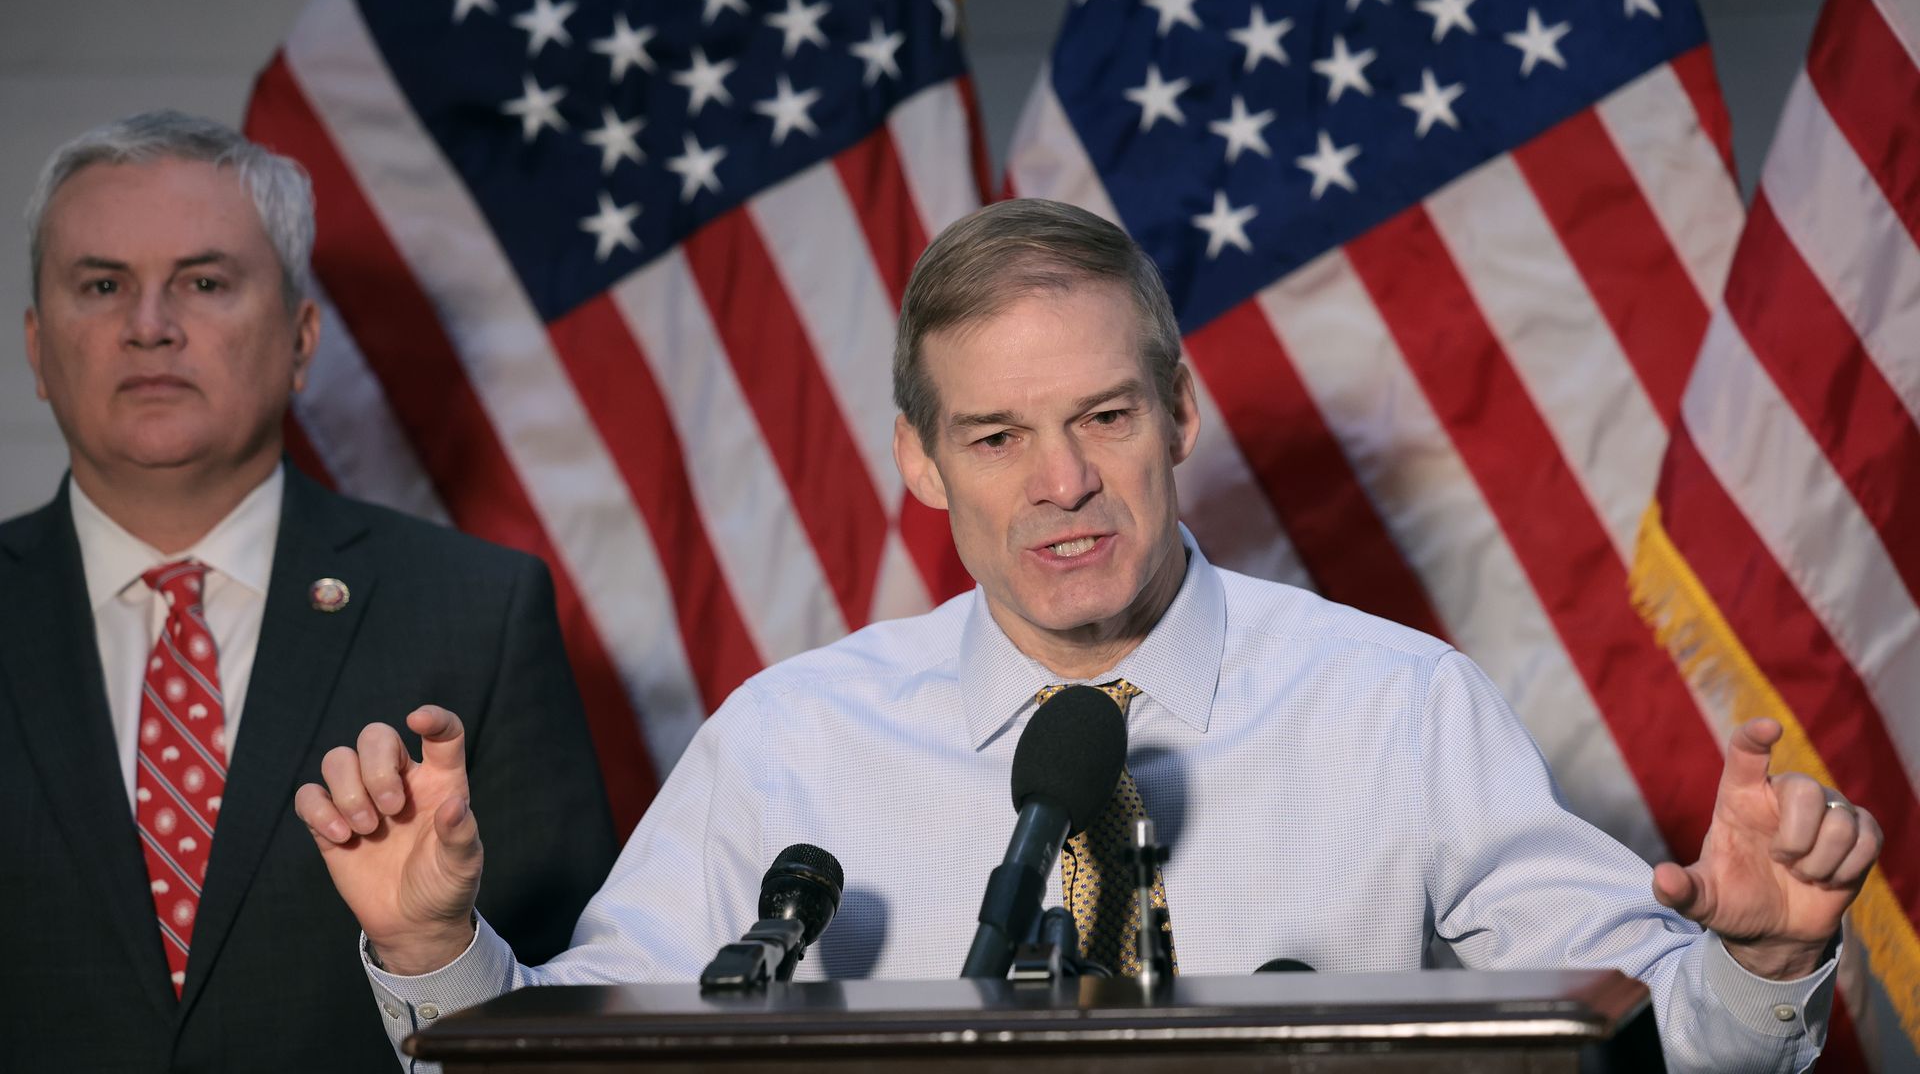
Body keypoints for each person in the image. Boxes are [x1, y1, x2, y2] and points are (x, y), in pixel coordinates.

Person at [300, 199, 1880, 1073]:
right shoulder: (790, 744)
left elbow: (1671, 1038)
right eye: (994, 437)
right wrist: (436, 953)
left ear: (1179, 414)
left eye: (1104, 416)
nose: (1061, 485)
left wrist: (1758, 957)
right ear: (920, 462)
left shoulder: (1397, 706)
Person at [0, 110, 618, 1071]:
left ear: (299, 339)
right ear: (38, 348)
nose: (150, 325)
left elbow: (568, 1010)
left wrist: (434, 949)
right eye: (102, 285)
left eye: (203, 282)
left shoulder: (480, 614)